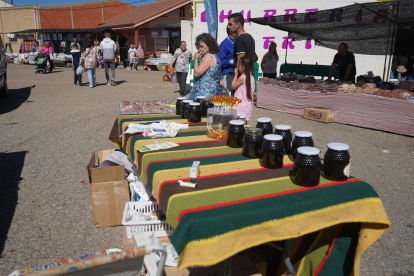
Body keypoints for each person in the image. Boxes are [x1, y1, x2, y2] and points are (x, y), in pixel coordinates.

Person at [227, 12, 257, 95]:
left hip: (241, 82)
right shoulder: (250, 37)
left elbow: (240, 61)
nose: (228, 27)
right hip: (249, 79)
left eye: (230, 24)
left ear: (238, 24)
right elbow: (255, 58)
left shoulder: (239, 39)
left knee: (237, 106)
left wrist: (236, 80)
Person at [188, 33, 222, 101]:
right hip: (213, 92)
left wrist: (196, 58)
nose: (200, 49)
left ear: (209, 45)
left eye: (202, 46)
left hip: (205, 94)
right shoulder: (214, 55)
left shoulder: (208, 57)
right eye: (198, 47)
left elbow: (197, 73)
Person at [219, 27, 237, 95]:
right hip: (228, 75)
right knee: (231, 96)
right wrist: (232, 62)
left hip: (235, 74)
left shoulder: (236, 42)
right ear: (233, 33)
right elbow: (220, 61)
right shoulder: (224, 44)